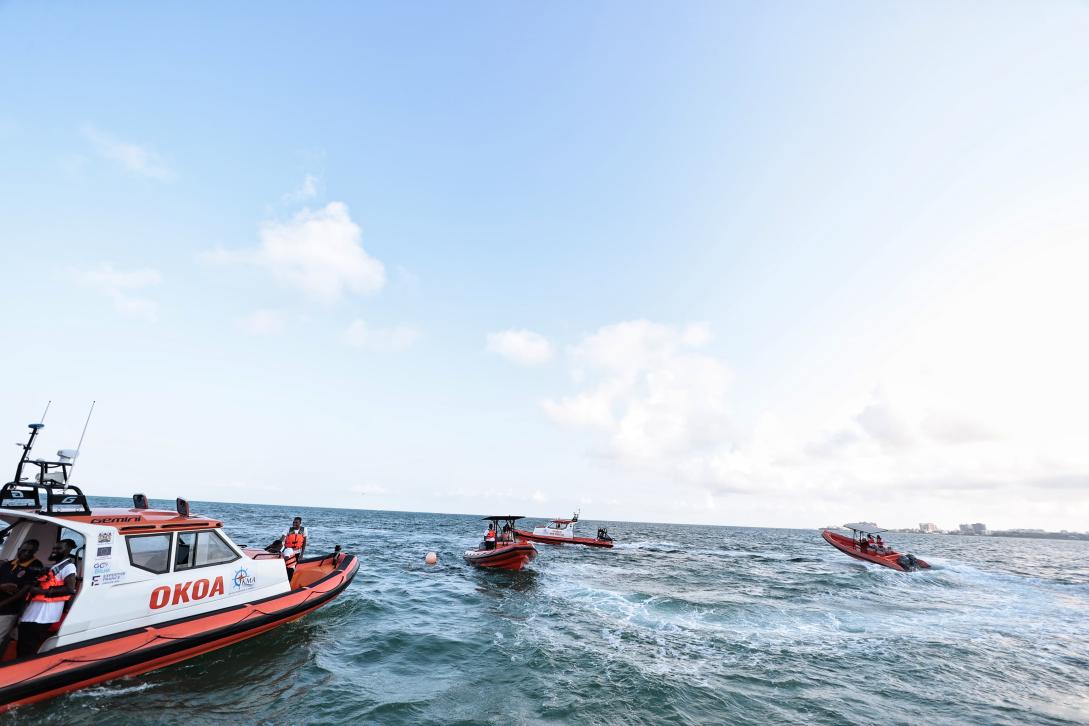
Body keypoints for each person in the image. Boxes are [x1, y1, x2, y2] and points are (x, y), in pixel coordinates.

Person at [18, 539, 78, 658]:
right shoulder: (53, 566)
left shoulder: (69, 567)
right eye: (54, 548)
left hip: (42, 616)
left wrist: (41, 591)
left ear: (68, 550)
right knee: (23, 645)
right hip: (33, 613)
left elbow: (70, 589)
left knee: (27, 648)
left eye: (58, 549)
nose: (54, 551)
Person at [0, 539, 44, 653]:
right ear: (19, 549)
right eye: (23, 550)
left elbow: (23, 592)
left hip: (9, 610)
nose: (25, 553)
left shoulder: (36, 566)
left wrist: (2, 604)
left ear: (35, 552)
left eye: (30, 552)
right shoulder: (9, 564)